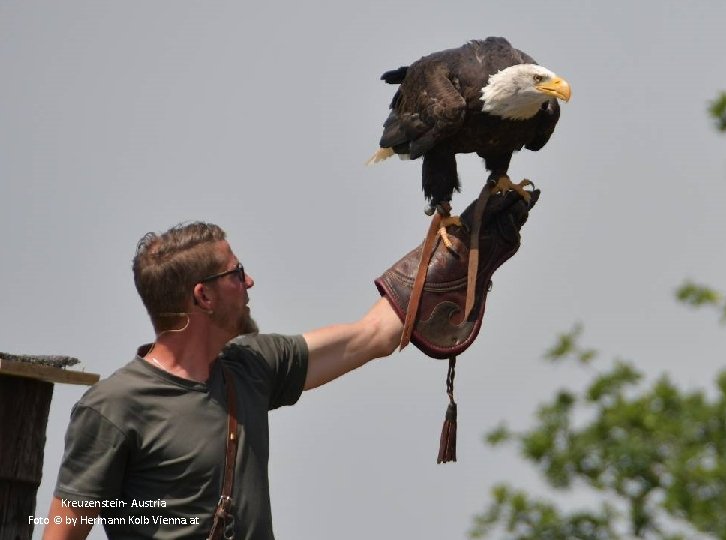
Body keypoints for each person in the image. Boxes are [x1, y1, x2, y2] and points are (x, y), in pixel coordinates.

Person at [41, 189, 537, 539]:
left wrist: (459, 248)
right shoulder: (112, 409)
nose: (250, 281)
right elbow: (60, 534)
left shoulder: (252, 367)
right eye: (236, 273)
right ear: (203, 296)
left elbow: (373, 336)